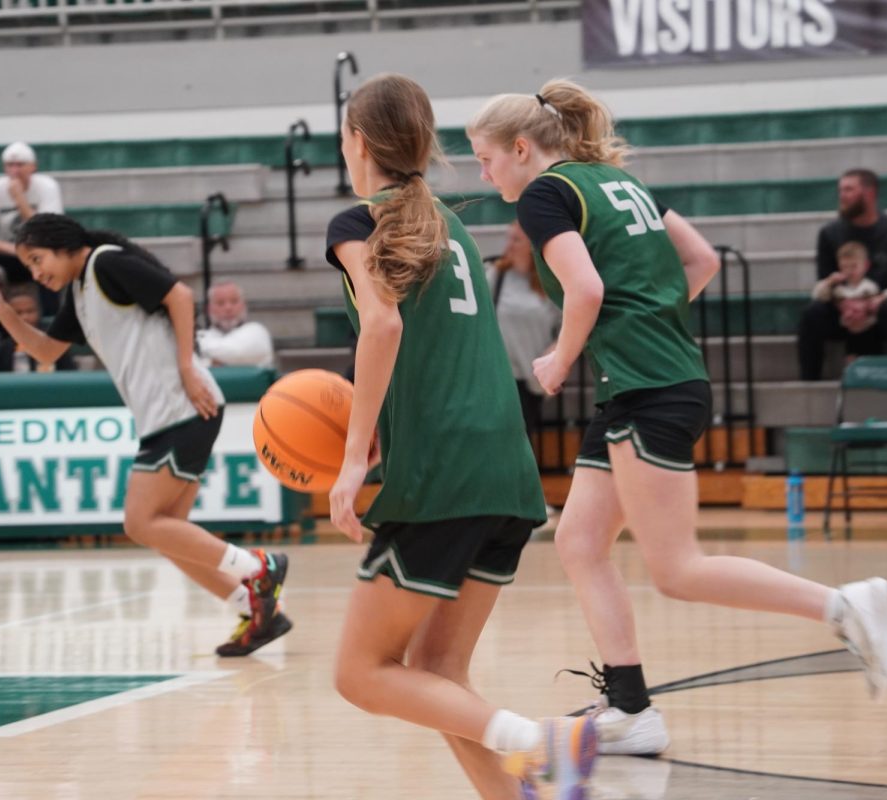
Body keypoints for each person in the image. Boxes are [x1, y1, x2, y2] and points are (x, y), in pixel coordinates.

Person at [467, 79, 887, 757]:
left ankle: (845, 605)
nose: (483, 174)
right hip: (647, 382)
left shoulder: (548, 194)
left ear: (521, 148)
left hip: (649, 389)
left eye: (485, 158)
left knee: (676, 568)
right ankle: (631, 709)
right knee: (580, 543)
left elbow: (586, 288)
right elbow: (698, 260)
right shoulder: (617, 182)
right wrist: (649, 321)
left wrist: (559, 358)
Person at [326, 73, 597, 800]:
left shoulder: (362, 222)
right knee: (439, 674)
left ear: (356, 141)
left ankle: (542, 742)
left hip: (441, 475)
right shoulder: (444, 222)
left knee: (360, 673)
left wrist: (354, 460)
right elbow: (433, 347)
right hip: (506, 468)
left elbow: (382, 326)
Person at [0, 213, 290, 657]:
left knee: (140, 523)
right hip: (168, 415)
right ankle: (256, 608)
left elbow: (178, 296)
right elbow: (45, 350)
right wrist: (2, 311)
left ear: (62, 245)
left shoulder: (105, 264)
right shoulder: (80, 291)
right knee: (166, 533)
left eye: (38, 259)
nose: (37, 272)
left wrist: (185, 366)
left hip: (182, 405)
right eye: (29, 267)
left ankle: (259, 567)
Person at [798, 168, 887, 380]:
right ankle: (809, 382)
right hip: (843, 308)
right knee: (812, 313)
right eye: (841, 190)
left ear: (869, 193)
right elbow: (825, 279)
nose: (842, 195)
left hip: (879, 308)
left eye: (849, 190)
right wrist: (845, 304)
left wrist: (873, 302)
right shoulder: (829, 234)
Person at [0, 142, 63, 314]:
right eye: (10, 165)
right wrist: (12, 249)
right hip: (8, 254)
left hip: (35, 256)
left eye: (20, 165)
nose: (15, 170)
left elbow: (48, 233)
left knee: (51, 254)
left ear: (33, 167)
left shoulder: (47, 186)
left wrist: (20, 200)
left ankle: (52, 317)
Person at [487, 221, 561, 441]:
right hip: (498, 377)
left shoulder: (550, 284)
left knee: (522, 442)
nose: (509, 244)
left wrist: (554, 356)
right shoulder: (495, 276)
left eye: (516, 239)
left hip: (532, 381)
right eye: (509, 238)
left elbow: (568, 325)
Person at [810, 241, 887, 367]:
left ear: (865, 265)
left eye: (854, 266)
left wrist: (866, 309)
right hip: (848, 329)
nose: (849, 271)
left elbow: (875, 302)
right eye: (845, 267)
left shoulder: (869, 286)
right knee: (851, 353)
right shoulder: (838, 288)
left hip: (869, 327)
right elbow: (817, 296)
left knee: (873, 347)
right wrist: (829, 282)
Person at [0, 285, 77, 373]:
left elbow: (70, 375)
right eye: (18, 312)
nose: (25, 317)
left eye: (30, 311)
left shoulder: (55, 346)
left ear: (39, 312)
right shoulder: (0, 351)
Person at [196, 281, 275, 369]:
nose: (228, 308)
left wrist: (203, 356)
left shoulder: (257, 331)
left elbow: (238, 353)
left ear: (244, 305)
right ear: (209, 309)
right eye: (220, 303)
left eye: (234, 301)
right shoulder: (201, 336)